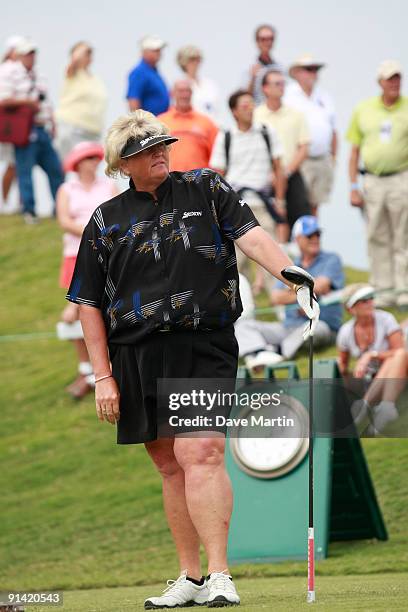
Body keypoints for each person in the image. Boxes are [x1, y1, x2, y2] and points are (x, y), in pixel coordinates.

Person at [66, 109, 319, 609]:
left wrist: (291, 275)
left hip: (201, 344)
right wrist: (101, 377)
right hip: (135, 352)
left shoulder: (206, 187)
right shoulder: (104, 220)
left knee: (200, 452)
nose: (159, 152)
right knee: (169, 465)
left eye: (163, 144)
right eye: (145, 149)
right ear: (123, 164)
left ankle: (221, 575)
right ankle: (190, 576)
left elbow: (250, 235)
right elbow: (88, 303)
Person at [57, 141, 118, 399]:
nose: (93, 161)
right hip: (76, 255)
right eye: (87, 158)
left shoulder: (108, 186)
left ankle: (102, 371)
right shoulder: (67, 188)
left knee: (100, 312)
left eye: (95, 157)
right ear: (77, 163)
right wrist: (90, 233)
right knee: (75, 315)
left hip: (106, 254)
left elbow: (119, 215)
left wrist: (101, 238)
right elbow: (64, 220)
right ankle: (88, 372)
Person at [210, 89, 285, 293]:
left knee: (272, 253)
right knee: (236, 259)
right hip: (236, 205)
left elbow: (279, 168)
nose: (249, 109)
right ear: (234, 111)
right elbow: (218, 174)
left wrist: (280, 200)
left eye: (252, 104)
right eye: (244, 105)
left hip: (263, 202)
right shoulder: (225, 136)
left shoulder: (267, 132)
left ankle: (278, 304)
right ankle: (239, 307)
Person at [347, 60, 408, 309]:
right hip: (371, 179)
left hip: (401, 177)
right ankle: (383, 291)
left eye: (397, 78)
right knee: (376, 235)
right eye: (389, 79)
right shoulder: (364, 109)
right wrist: (353, 186)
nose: (394, 83)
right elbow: (354, 151)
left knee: (402, 235)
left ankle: (403, 289)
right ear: (380, 82)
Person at [239, 215, 342, 362]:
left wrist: (292, 291)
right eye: (310, 235)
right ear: (298, 239)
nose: (315, 239)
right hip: (287, 328)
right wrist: (305, 294)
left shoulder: (331, 259)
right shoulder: (292, 264)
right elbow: (275, 297)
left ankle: (277, 352)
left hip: (321, 324)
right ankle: (259, 352)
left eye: (317, 234)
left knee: (317, 330)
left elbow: (321, 285)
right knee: (244, 325)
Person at [0, 38, 64, 223]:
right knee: (25, 171)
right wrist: (28, 103)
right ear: (19, 55)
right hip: (24, 130)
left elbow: (47, 102)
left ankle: (59, 210)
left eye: (33, 53)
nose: (31, 57)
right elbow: (4, 101)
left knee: (55, 170)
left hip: (42, 127)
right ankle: (29, 211)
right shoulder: (9, 73)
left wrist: (53, 122)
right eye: (27, 53)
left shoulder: (40, 75)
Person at [337, 283, 407, 435]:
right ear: (351, 308)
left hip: (396, 376)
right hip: (369, 381)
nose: (370, 303)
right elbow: (343, 365)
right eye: (363, 300)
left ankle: (377, 407)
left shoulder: (386, 319)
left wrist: (371, 355)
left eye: (371, 298)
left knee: (399, 355)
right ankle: (369, 409)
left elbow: (400, 351)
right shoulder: (345, 332)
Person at [255, 68, 311, 240]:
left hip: (291, 174)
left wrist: (285, 172)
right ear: (265, 88)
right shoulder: (256, 115)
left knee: (302, 218)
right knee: (273, 220)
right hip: (266, 177)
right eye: (276, 83)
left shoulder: (296, 115)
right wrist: (273, 174)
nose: (281, 87)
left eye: (282, 83)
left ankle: (303, 260)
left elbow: (303, 147)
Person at [285, 54, 337, 214]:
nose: (313, 73)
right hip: (300, 160)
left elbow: (333, 130)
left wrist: (333, 158)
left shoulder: (324, 96)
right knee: (297, 204)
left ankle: (311, 238)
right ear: (296, 72)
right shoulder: (288, 95)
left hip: (322, 159)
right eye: (309, 69)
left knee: (315, 205)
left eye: (315, 69)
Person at [55, 41, 107, 160]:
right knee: (68, 163)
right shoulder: (72, 73)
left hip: (91, 131)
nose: (88, 56)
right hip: (72, 128)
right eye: (86, 53)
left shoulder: (94, 78)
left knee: (87, 169)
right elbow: (73, 62)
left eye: (90, 54)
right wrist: (81, 49)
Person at [158, 79, 218, 171]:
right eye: (181, 91)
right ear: (172, 94)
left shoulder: (207, 123)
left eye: (188, 91)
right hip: (169, 180)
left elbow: (217, 157)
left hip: (199, 182)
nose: (185, 95)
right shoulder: (160, 122)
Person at [0, 35, 25, 206]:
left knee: (16, 165)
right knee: (13, 164)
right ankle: (6, 203)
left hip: (14, 127)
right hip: (10, 127)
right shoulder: (9, 69)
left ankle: (9, 203)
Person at [126, 35, 169, 115]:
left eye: (159, 50)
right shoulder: (139, 72)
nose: (159, 53)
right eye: (155, 50)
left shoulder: (153, 71)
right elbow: (133, 100)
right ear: (144, 52)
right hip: (148, 124)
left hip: (159, 122)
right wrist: (138, 123)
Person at [176, 45, 219, 121]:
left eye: (198, 59)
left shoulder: (210, 84)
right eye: (192, 59)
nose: (196, 63)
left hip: (212, 126)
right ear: (183, 62)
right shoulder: (179, 84)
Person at [245, 24, 281, 106]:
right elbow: (244, 97)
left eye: (270, 39)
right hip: (258, 113)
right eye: (263, 39)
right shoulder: (249, 67)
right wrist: (252, 79)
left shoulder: (280, 68)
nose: (267, 42)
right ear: (257, 42)